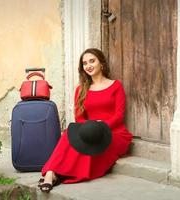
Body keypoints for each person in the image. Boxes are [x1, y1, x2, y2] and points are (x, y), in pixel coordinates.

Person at [38, 48, 133, 192]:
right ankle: (50, 173)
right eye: (84, 63)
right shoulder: (81, 89)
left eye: (92, 61)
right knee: (68, 134)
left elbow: (119, 115)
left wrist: (101, 127)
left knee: (91, 145)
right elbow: (79, 117)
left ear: (101, 63)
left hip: (113, 132)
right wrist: (89, 130)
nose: (88, 65)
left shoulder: (116, 86)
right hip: (88, 129)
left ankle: (58, 174)